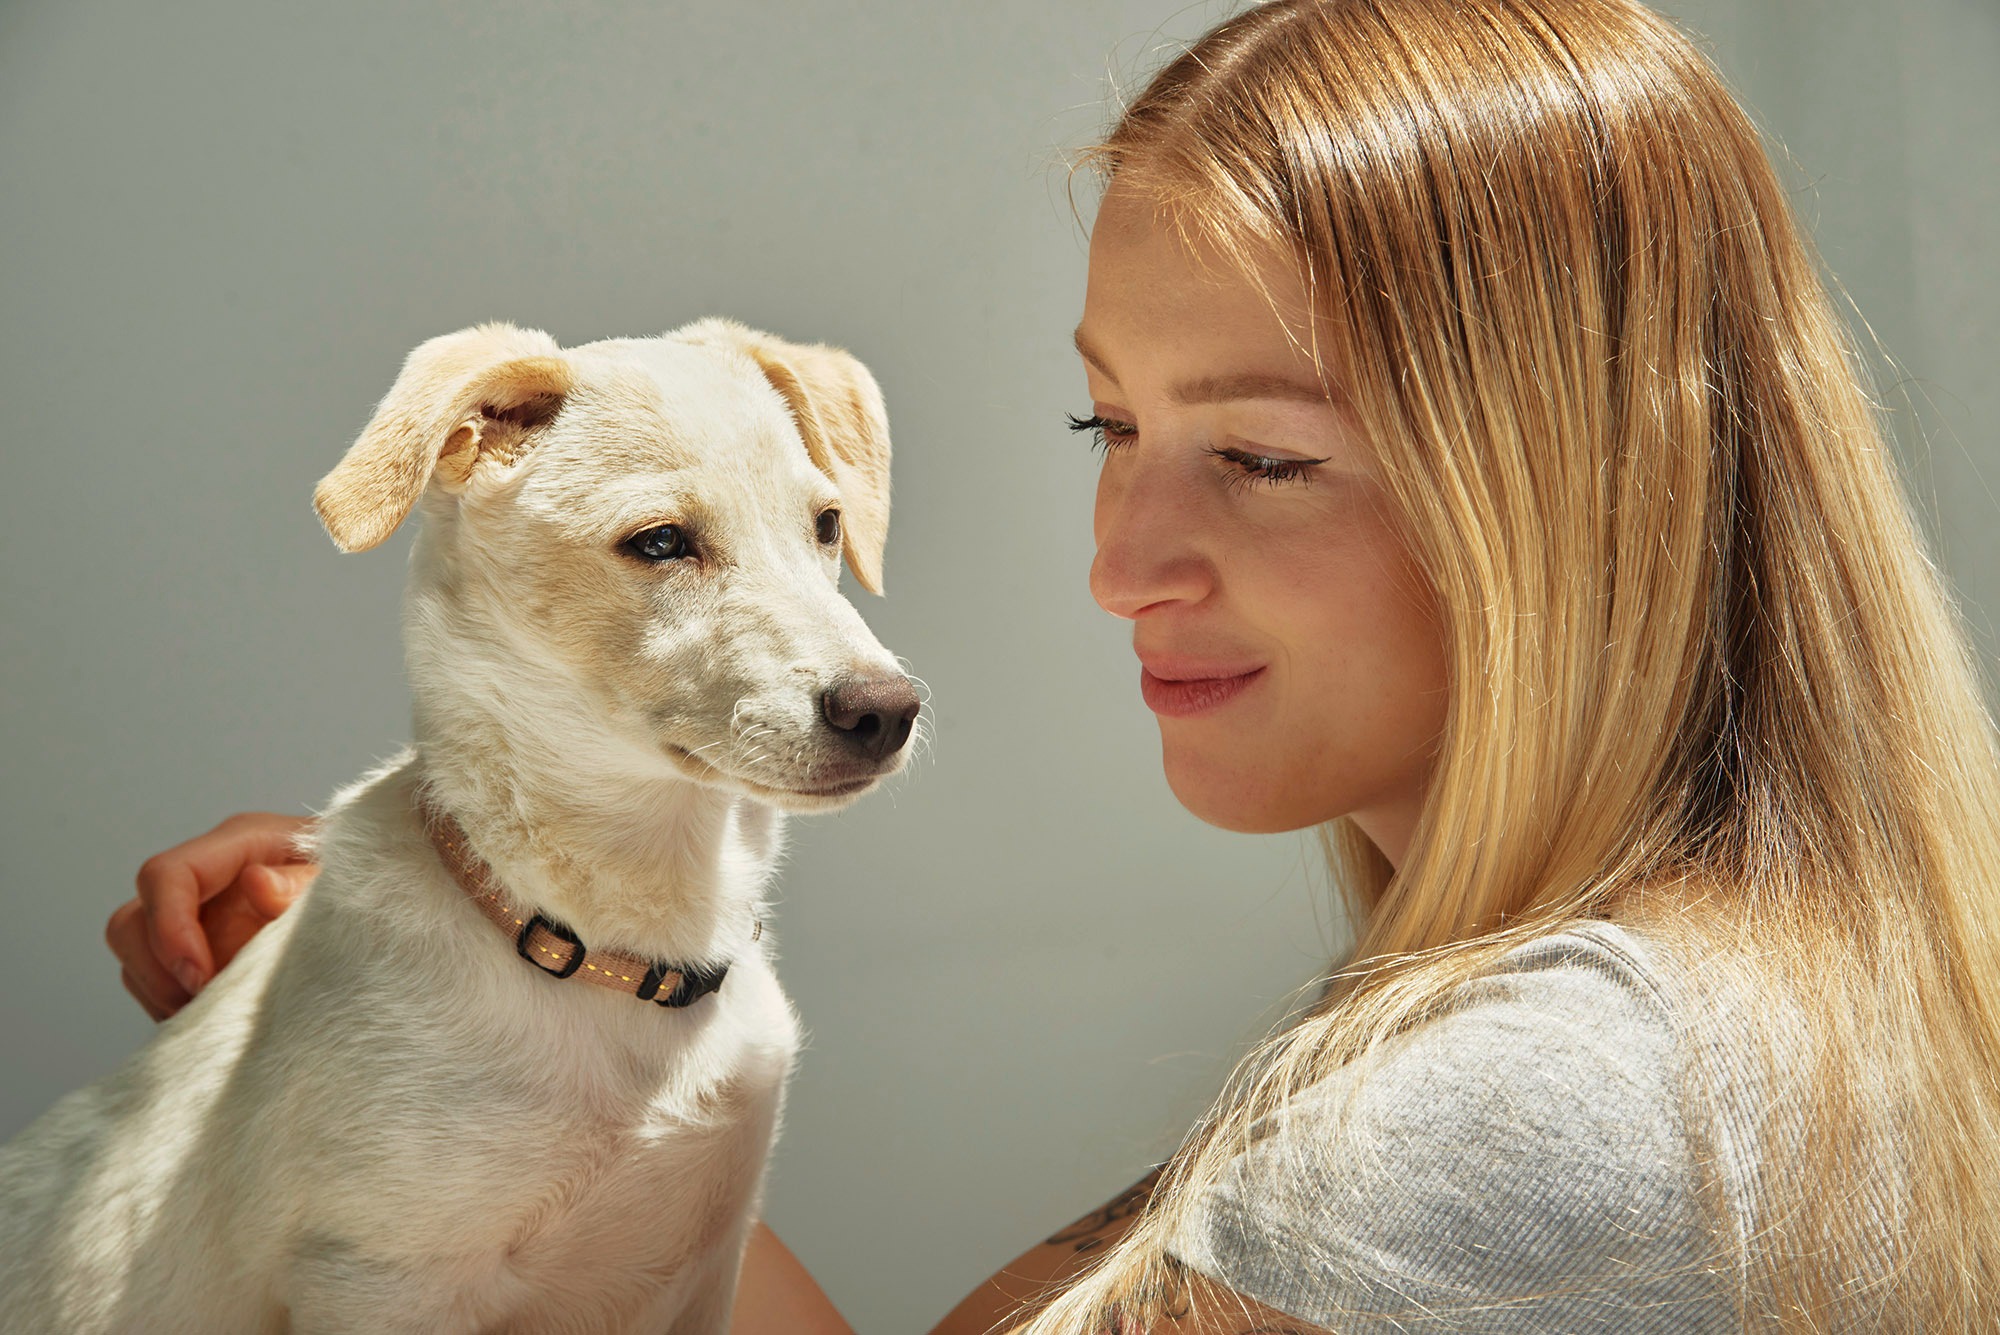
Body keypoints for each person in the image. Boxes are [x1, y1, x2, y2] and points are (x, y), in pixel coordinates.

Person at [105, 0, 2000, 1331]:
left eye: (1260, 457)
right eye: (1110, 432)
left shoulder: (1543, 1106)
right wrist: (497, 998)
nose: (1117, 569)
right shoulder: (1701, 1006)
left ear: (1587, 488)